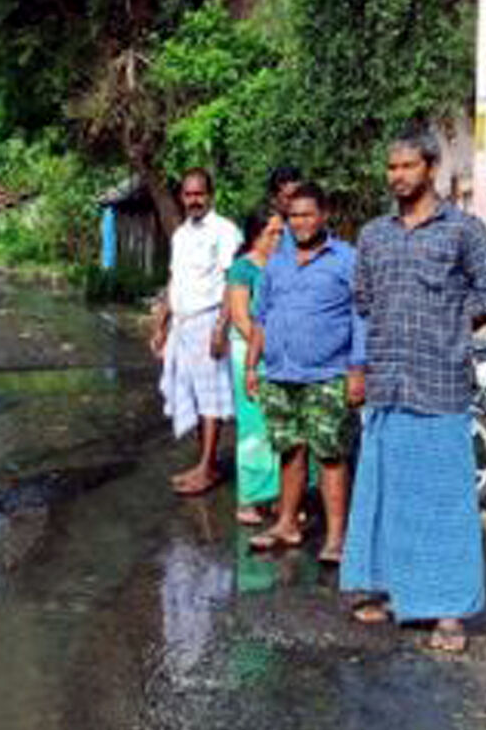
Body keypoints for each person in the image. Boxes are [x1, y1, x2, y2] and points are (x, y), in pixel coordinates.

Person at [341, 129, 486, 653]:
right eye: (391, 168)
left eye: (407, 167)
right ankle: (400, 594)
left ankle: (450, 612)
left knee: (443, 502)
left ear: (430, 167)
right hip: (388, 383)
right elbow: (362, 301)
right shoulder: (374, 235)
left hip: (439, 382)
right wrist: (359, 367)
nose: (397, 177)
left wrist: (455, 320)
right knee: (391, 496)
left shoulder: (463, 230)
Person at [245, 182, 365, 562]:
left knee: (330, 455)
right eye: (293, 216)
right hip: (279, 373)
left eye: (307, 214)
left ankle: (335, 538)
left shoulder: (346, 258)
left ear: (324, 215)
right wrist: (251, 366)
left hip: (327, 374)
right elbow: (260, 317)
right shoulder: (276, 261)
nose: (300, 223)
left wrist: (359, 369)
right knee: (289, 450)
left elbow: (362, 316)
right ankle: (286, 524)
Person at [152, 168, 242, 495]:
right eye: (188, 194)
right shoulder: (180, 235)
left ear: (210, 194)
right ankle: (207, 463)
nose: (194, 200)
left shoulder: (225, 231)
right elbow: (174, 282)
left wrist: (221, 327)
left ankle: (206, 468)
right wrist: (161, 325)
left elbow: (235, 281)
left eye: (199, 194)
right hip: (183, 325)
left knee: (212, 398)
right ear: (182, 197)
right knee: (191, 394)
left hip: (209, 322)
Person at [226, 207, 286, 525]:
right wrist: (264, 350)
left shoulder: (283, 265)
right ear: (255, 236)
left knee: (279, 427)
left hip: (279, 355)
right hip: (248, 353)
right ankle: (249, 499)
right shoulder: (242, 269)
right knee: (254, 429)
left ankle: (277, 497)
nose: (277, 238)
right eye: (271, 233)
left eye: (280, 232)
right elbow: (240, 317)